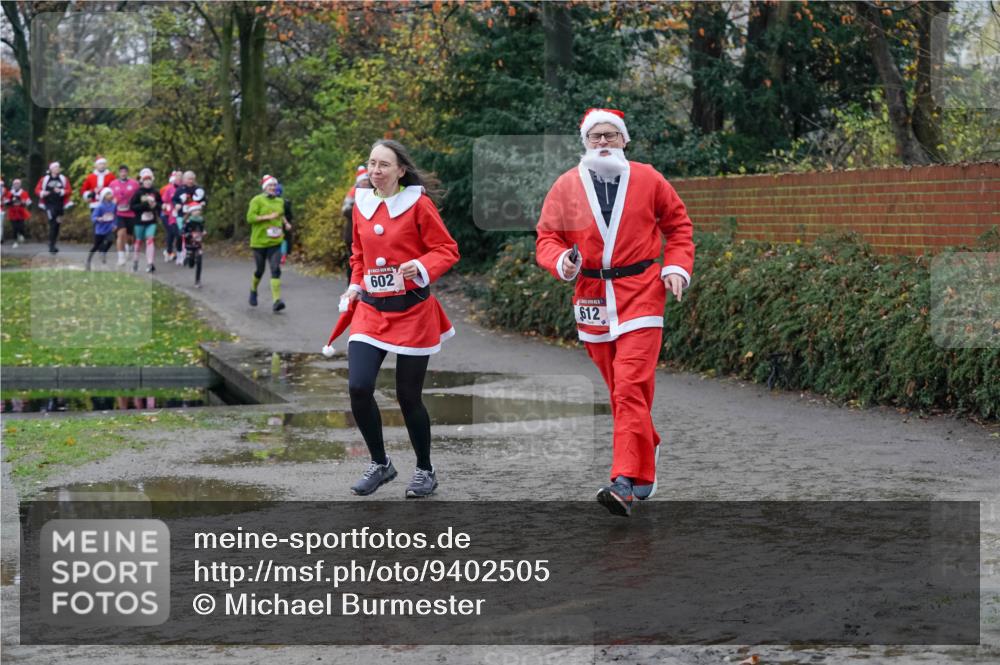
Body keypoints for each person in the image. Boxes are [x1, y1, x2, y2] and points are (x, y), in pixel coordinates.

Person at [535, 108, 695, 517]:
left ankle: (623, 481)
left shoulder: (648, 178)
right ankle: (647, 443)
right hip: (591, 295)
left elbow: (678, 226)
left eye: (610, 136)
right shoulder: (567, 185)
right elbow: (547, 238)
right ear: (585, 143)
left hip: (642, 291)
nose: (603, 143)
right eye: (595, 137)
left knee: (628, 386)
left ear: (625, 141)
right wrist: (562, 263)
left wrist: (676, 267)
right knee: (621, 391)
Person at [339, 140, 460, 498]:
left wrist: (421, 266)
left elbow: (447, 249)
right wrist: (355, 285)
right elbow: (358, 254)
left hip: (412, 311)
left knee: (409, 397)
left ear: (400, 170)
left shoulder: (417, 204)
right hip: (371, 310)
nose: (376, 170)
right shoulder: (361, 204)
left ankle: (425, 469)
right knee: (359, 387)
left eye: (384, 165)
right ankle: (380, 463)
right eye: (372, 163)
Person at [246, 175, 291, 312]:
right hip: (259, 242)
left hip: (275, 241)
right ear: (264, 187)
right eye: (270, 186)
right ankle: (253, 290)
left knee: (275, 269)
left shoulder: (279, 201)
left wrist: (286, 223)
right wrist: (267, 217)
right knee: (260, 270)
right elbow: (250, 218)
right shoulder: (257, 200)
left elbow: (280, 214)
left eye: (274, 186)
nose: (272, 188)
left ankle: (277, 300)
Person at [34, 162, 74, 254]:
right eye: (55, 167)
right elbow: (37, 190)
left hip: (60, 205)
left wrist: (61, 191)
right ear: (51, 169)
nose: (57, 169)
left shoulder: (63, 179)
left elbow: (69, 190)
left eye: (58, 167)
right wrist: (43, 193)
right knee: (52, 223)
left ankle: (53, 243)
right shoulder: (45, 179)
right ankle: (51, 246)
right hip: (48, 204)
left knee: (57, 225)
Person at [129, 168, 162, 273]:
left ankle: (150, 263)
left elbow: (161, 205)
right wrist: (144, 204)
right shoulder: (138, 193)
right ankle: (135, 260)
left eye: (149, 180)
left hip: (151, 221)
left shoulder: (155, 192)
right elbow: (132, 207)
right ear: (142, 181)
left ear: (152, 180)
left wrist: (156, 205)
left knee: (150, 240)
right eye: (145, 180)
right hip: (139, 221)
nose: (148, 182)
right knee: (138, 241)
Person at [172, 171, 206, 266]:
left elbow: (203, 199)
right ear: (184, 179)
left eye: (192, 178)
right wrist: (177, 204)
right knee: (180, 234)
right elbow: (174, 200)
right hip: (182, 215)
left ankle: (196, 248)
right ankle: (179, 253)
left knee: (197, 229)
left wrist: (203, 203)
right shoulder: (180, 189)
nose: (191, 181)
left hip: (194, 214)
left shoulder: (198, 189)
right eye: (189, 178)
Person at [341, 165, 369, 274]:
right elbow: (344, 211)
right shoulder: (353, 194)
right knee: (354, 260)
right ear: (359, 182)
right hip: (352, 233)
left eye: (367, 181)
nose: (365, 183)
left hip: (367, 233)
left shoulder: (374, 192)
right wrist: (358, 208)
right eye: (363, 181)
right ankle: (351, 285)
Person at [109, 165, 139, 266]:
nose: (123, 173)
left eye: (125, 171)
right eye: (121, 171)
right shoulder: (113, 184)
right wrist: (112, 202)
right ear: (119, 173)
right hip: (119, 213)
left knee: (129, 237)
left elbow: (139, 196)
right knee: (121, 234)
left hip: (131, 213)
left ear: (127, 173)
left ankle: (129, 246)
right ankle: (120, 258)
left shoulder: (134, 184)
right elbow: (108, 197)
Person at [86, 187, 117, 270]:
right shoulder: (100, 206)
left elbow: (115, 216)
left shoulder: (113, 205)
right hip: (100, 230)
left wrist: (114, 224)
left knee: (110, 241)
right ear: (103, 196)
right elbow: (93, 217)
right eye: (108, 194)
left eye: (111, 193)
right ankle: (88, 260)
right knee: (96, 246)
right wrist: (98, 219)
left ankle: (103, 252)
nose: (110, 195)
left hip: (109, 228)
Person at [182, 199, 207, 288]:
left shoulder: (201, 220)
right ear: (191, 212)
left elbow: (202, 229)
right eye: (195, 210)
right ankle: (188, 259)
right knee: (191, 264)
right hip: (190, 244)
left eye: (199, 210)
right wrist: (190, 234)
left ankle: (198, 280)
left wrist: (203, 232)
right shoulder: (188, 222)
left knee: (200, 261)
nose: (197, 212)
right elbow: (183, 232)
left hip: (198, 244)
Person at [3, 178, 32, 248]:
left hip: (21, 212)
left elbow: (29, 202)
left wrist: (24, 202)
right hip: (12, 212)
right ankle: (15, 241)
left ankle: (21, 234)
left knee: (21, 226)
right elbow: (5, 201)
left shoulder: (24, 192)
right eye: (15, 184)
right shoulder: (10, 193)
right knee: (14, 227)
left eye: (18, 184)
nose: (16, 185)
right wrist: (10, 202)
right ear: (13, 184)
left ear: (20, 185)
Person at [160, 171, 181, 262]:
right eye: (176, 178)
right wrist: (165, 206)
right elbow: (163, 201)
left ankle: (171, 251)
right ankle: (169, 251)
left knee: (175, 233)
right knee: (172, 232)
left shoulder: (183, 188)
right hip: (166, 215)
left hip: (177, 215)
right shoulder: (167, 189)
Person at [275, 181, 294, 265]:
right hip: (282, 223)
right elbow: (290, 215)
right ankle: (282, 256)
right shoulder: (286, 202)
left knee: (280, 239)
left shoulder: (282, 202)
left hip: (278, 223)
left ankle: (280, 255)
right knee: (283, 240)